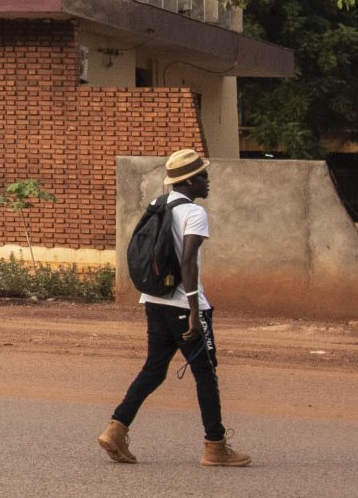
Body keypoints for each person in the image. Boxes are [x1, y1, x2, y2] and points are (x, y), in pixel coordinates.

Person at [100, 149, 252, 468]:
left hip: (155, 300)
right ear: (191, 180)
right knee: (205, 375)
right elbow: (187, 262)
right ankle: (215, 447)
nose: (208, 182)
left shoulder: (159, 205)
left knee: (154, 369)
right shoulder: (194, 214)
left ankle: (116, 429)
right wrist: (195, 310)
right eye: (203, 176)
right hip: (185, 305)